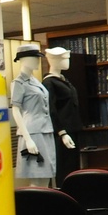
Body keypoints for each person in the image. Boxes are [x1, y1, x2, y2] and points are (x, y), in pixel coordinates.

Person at [10, 43, 55, 186]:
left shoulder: (36, 81)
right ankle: (35, 206)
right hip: (33, 132)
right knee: (36, 175)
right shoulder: (18, 83)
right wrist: (27, 139)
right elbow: (15, 110)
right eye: (34, 58)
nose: (37, 61)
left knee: (47, 174)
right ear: (24, 59)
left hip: (46, 130)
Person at [42, 46, 81, 186]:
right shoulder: (49, 83)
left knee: (73, 167)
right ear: (53, 60)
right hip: (62, 132)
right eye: (64, 59)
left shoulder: (63, 80)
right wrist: (62, 132)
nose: (67, 61)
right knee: (64, 166)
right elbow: (50, 109)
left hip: (72, 129)